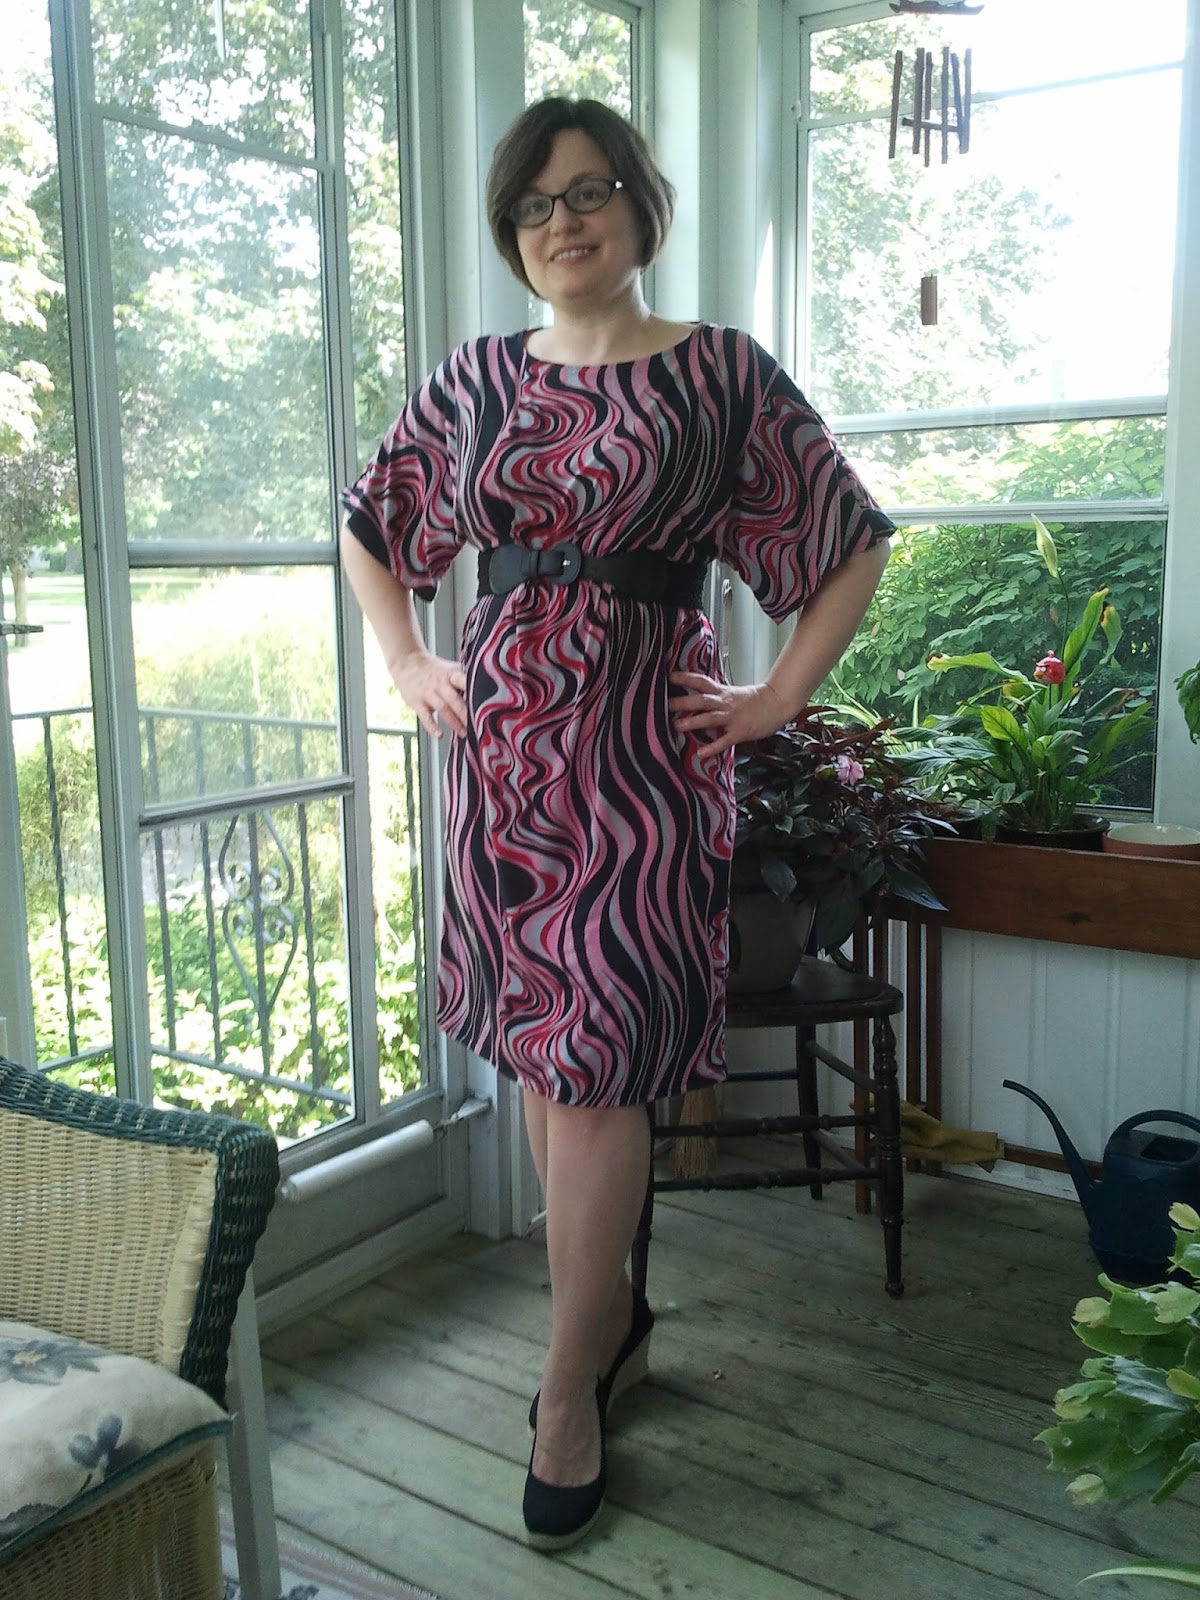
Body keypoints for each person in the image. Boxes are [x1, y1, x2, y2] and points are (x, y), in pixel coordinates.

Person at [339, 96, 893, 1552]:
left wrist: (776, 697)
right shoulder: (475, 382)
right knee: (548, 1054)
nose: (563, 222)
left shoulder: (719, 374)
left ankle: (565, 1388)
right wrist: (407, 661)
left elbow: (847, 541)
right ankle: (614, 1321)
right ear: (511, 234)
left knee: (595, 1071)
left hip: (648, 760)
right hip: (507, 761)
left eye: (588, 192)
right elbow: (372, 526)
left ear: (642, 206)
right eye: (533, 204)